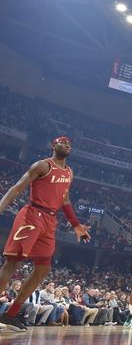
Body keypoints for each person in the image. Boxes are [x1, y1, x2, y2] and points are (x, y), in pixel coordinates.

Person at [0, 136, 91, 331]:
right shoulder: (42, 165)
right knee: (12, 262)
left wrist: (76, 225)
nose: (66, 145)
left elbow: (65, 200)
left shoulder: (69, 172)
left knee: (43, 268)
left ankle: (11, 314)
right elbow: (17, 188)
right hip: (32, 215)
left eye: (69, 144)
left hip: (50, 220)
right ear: (53, 146)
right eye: (62, 142)